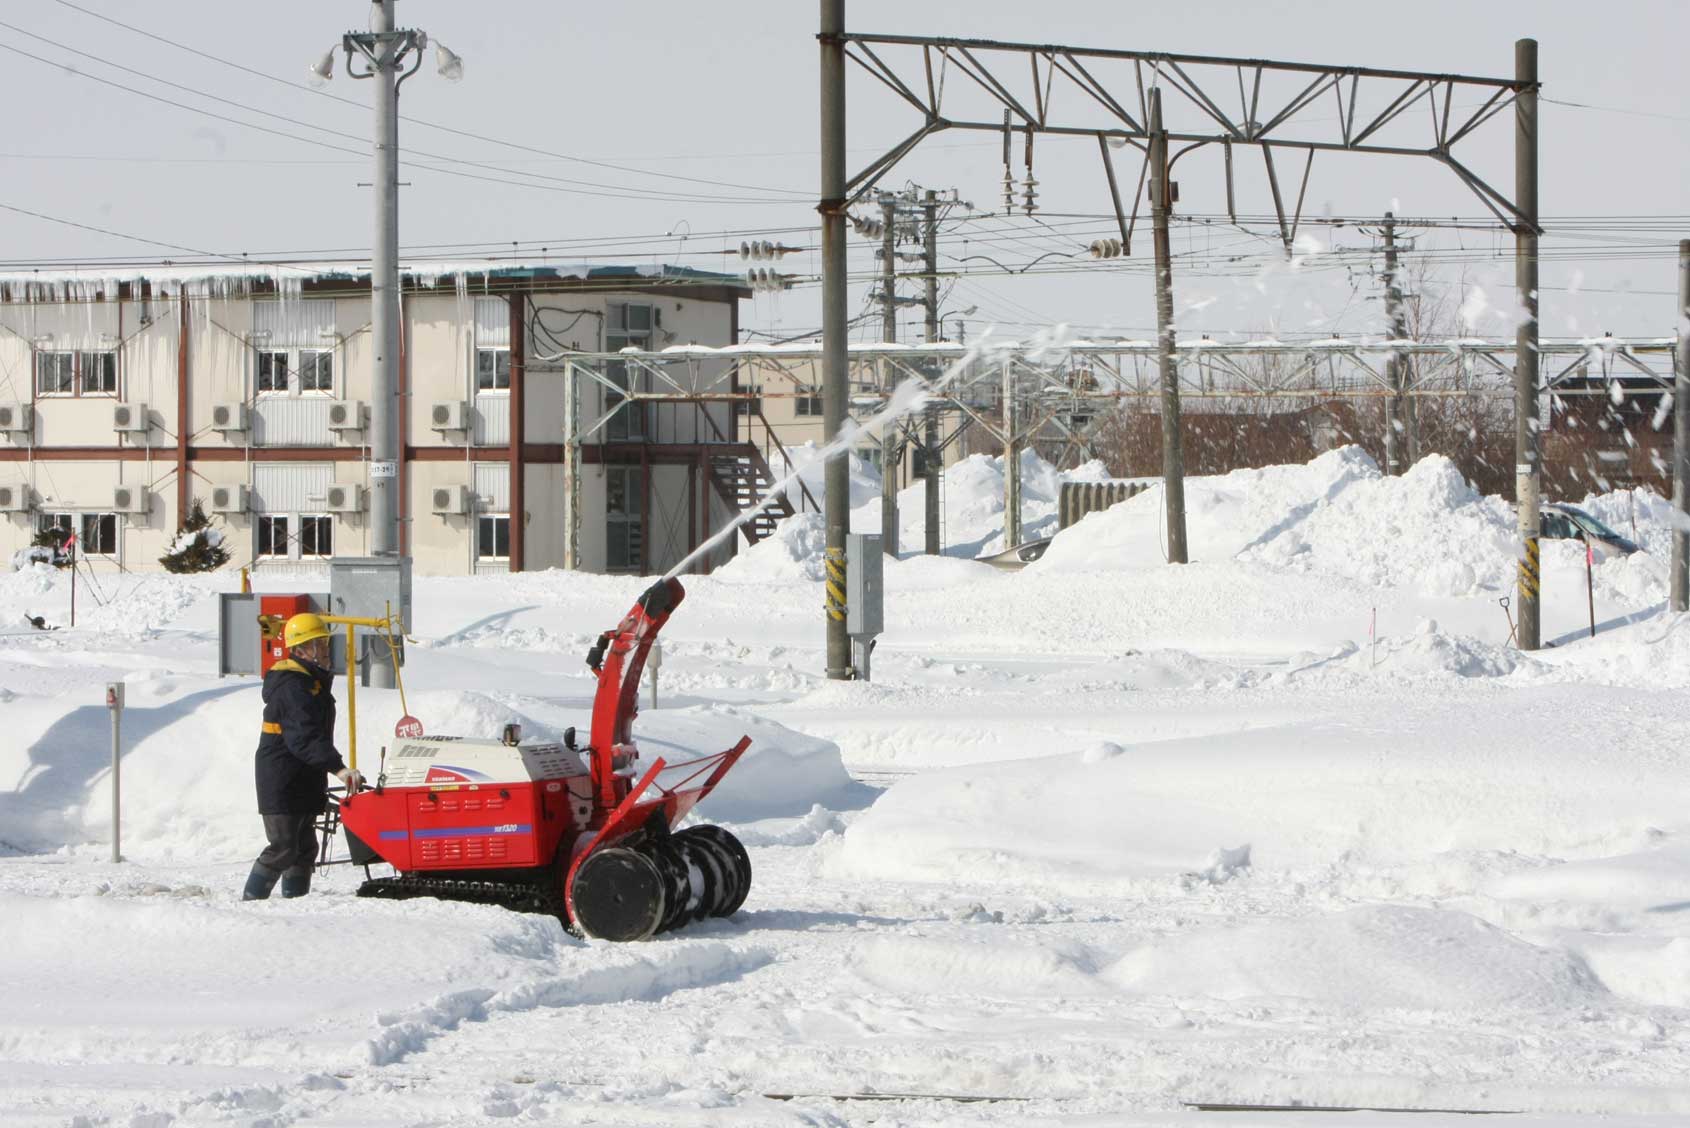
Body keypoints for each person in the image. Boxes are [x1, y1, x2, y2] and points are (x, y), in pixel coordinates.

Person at [242, 612, 362, 901]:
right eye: (317, 645)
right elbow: (303, 736)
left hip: (303, 778)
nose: (324, 651)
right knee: (283, 846)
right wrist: (340, 769)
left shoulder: (311, 682)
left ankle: (295, 907)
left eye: (324, 644)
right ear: (300, 650)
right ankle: (250, 904)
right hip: (282, 779)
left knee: (305, 848)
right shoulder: (292, 686)